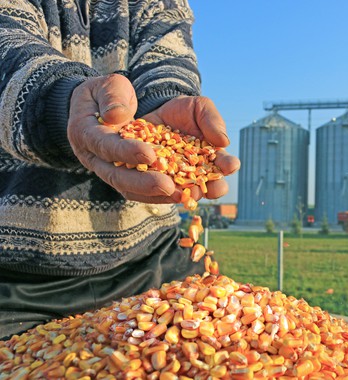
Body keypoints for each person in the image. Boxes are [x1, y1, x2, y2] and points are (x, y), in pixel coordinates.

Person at [0, 1, 240, 339]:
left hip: (151, 256)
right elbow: (8, 52)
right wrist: (65, 104)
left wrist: (164, 103)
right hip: (16, 278)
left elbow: (168, 59)